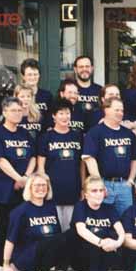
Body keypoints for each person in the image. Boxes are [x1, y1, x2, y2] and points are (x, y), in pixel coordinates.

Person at [2, 172, 78, 271]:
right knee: (52, 240)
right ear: (29, 188)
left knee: (72, 233)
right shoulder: (20, 211)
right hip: (28, 257)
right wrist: (6, 264)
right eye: (37, 185)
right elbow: (10, 240)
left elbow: (57, 235)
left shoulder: (50, 207)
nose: (41, 188)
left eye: (44, 185)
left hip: (47, 253)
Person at [0, 96, 36, 266]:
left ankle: (19, 261)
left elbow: (33, 157)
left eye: (19, 110)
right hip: (4, 188)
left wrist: (26, 177)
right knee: (6, 225)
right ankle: (3, 263)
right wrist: (17, 178)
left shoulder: (24, 133)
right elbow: (0, 160)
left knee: (22, 224)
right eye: (13, 110)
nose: (17, 113)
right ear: (4, 112)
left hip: (24, 187)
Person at [83, 95, 136, 215]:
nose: (120, 113)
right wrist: (100, 185)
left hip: (124, 186)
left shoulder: (128, 134)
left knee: (126, 219)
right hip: (104, 185)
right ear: (106, 110)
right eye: (117, 110)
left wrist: (131, 180)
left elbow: (134, 159)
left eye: (122, 110)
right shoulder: (95, 132)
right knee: (103, 219)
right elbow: (89, 159)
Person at [70, 175, 125, 271]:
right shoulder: (81, 206)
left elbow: (121, 232)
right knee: (97, 233)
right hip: (82, 256)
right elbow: (81, 230)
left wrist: (117, 243)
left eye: (101, 190)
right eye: (94, 191)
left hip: (103, 254)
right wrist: (101, 242)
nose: (98, 194)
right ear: (86, 194)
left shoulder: (109, 208)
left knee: (112, 236)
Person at [37, 99, 84, 232]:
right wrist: (43, 188)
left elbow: (82, 165)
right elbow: (41, 167)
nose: (65, 117)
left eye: (67, 113)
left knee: (70, 230)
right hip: (52, 191)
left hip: (73, 190)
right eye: (61, 113)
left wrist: (83, 187)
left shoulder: (78, 136)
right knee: (54, 231)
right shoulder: (46, 137)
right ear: (54, 116)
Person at [19, 58, 53, 125]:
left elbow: (51, 120)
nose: (32, 77)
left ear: (39, 75)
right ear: (23, 76)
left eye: (35, 74)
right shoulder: (17, 95)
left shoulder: (47, 96)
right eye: (29, 74)